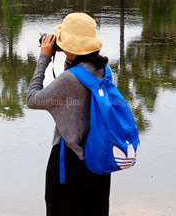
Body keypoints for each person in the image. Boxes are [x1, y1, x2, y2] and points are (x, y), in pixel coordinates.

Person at [26, 13, 111, 215]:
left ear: (70, 46)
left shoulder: (69, 80)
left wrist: (44, 58)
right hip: (99, 161)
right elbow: (78, 85)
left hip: (69, 163)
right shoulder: (105, 71)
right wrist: (68, 55)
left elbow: (32, 99)